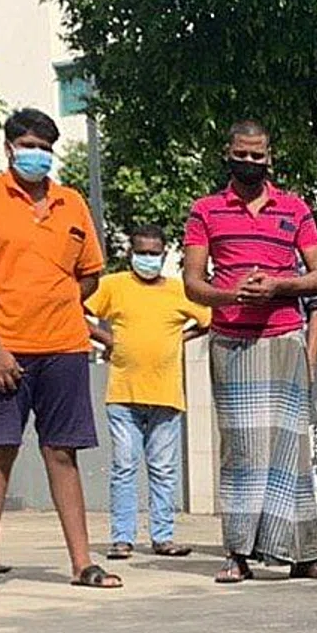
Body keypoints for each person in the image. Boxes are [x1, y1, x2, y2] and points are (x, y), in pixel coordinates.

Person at [0, 107, 116, 598]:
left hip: (64, 347)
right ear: (8, 148)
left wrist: (58, 303)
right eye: (28, 145)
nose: (36, 155)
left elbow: (89, 273)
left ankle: (82, 563)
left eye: (45, 147)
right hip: (0, 349)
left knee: (62, 452)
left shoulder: (71, 203)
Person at [182, 119, 317, 584]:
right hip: (232, 340)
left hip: (285, 336)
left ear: (269, 157)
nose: (250, 161)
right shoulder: (205, 210)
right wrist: (232, 296)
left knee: (292, 449)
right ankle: (238, 552)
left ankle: (303, 553)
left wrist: (278, 286)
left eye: (258, 155)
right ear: (227, 153)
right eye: (242, 154)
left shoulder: (295, 208)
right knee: (242, 450)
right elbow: (193, 282)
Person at [85, 223, 210, 559]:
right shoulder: (113, 286)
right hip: (123, 394)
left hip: (167, 396)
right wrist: (109, 340)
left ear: (165, 255)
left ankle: (163, 537)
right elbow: (76, 310)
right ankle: (122, 538)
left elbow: (207, 320)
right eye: (142, 252)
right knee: (124, 468)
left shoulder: (179, 290)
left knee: (163, 470)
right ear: (130, 254)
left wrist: (177, 340)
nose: (148, 259)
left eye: (154, 254)